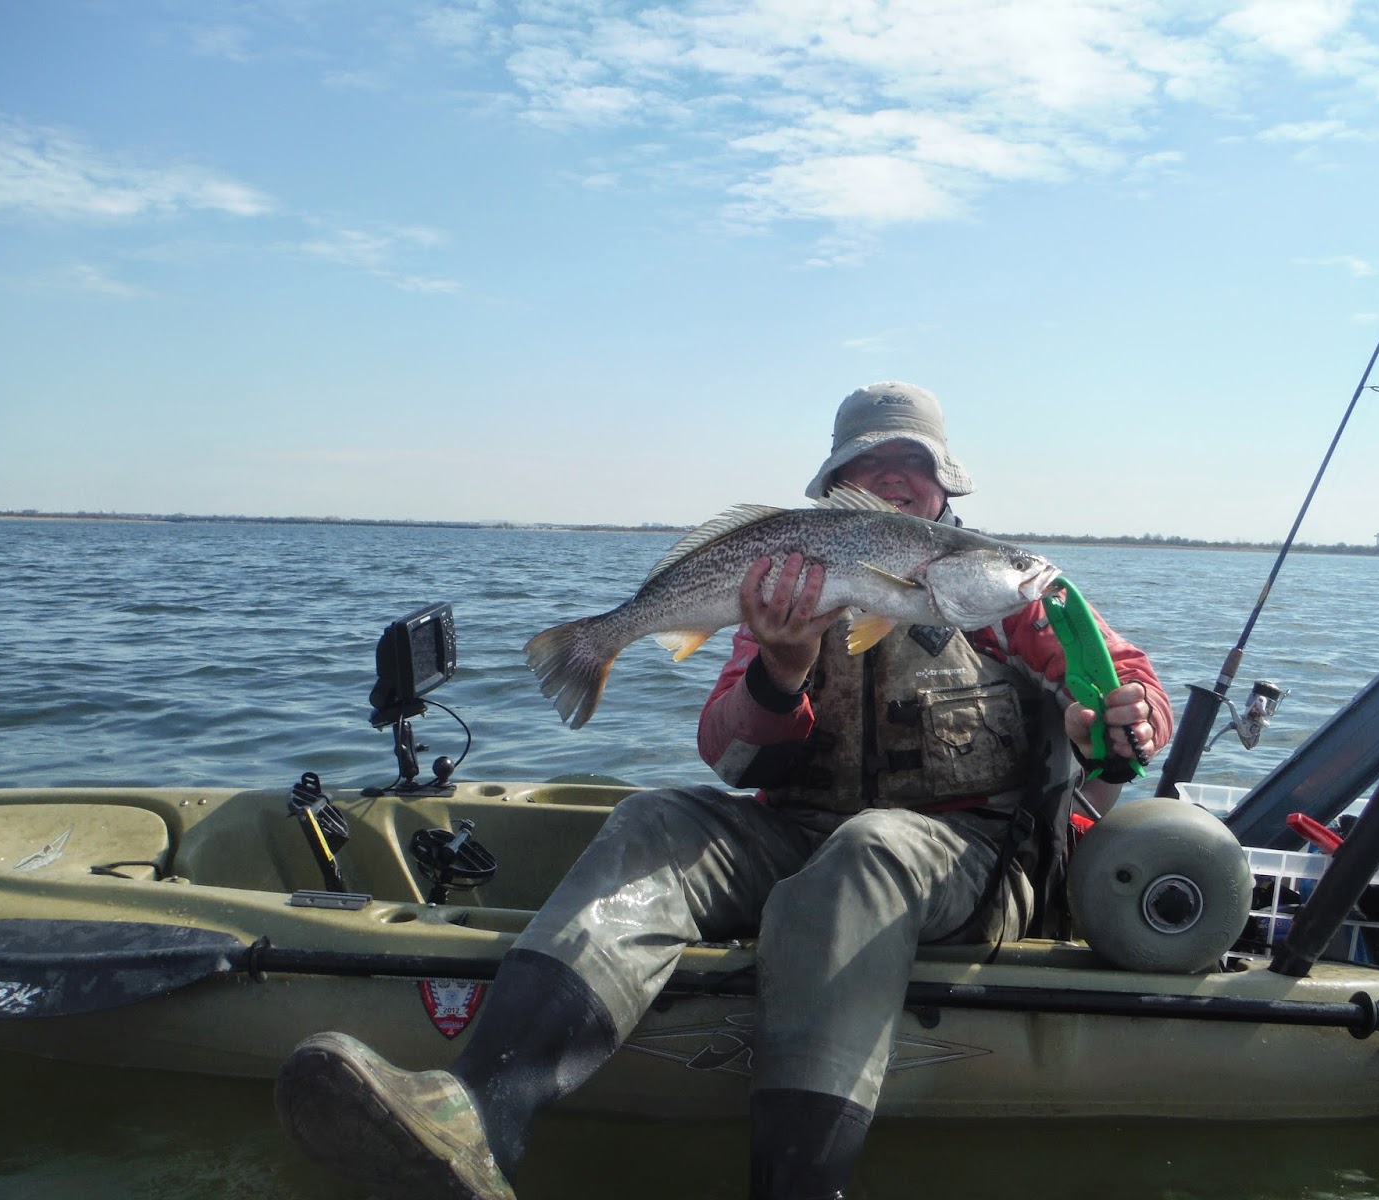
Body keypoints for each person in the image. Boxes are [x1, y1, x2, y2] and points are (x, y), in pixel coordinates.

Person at [274, 381, 1173, 1200]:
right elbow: (730, 758)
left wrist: (1125, 717)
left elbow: (1124, 688)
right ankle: (479, 1108)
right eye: (869, 465)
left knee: (871, 852)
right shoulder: (789, 583)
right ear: (836, 487)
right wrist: (782, 670)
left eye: (914, 465)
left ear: (946, 492)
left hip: (968, 858)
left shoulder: (1011, 589)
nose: (893, 481)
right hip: (802, 835)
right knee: (654, 819)